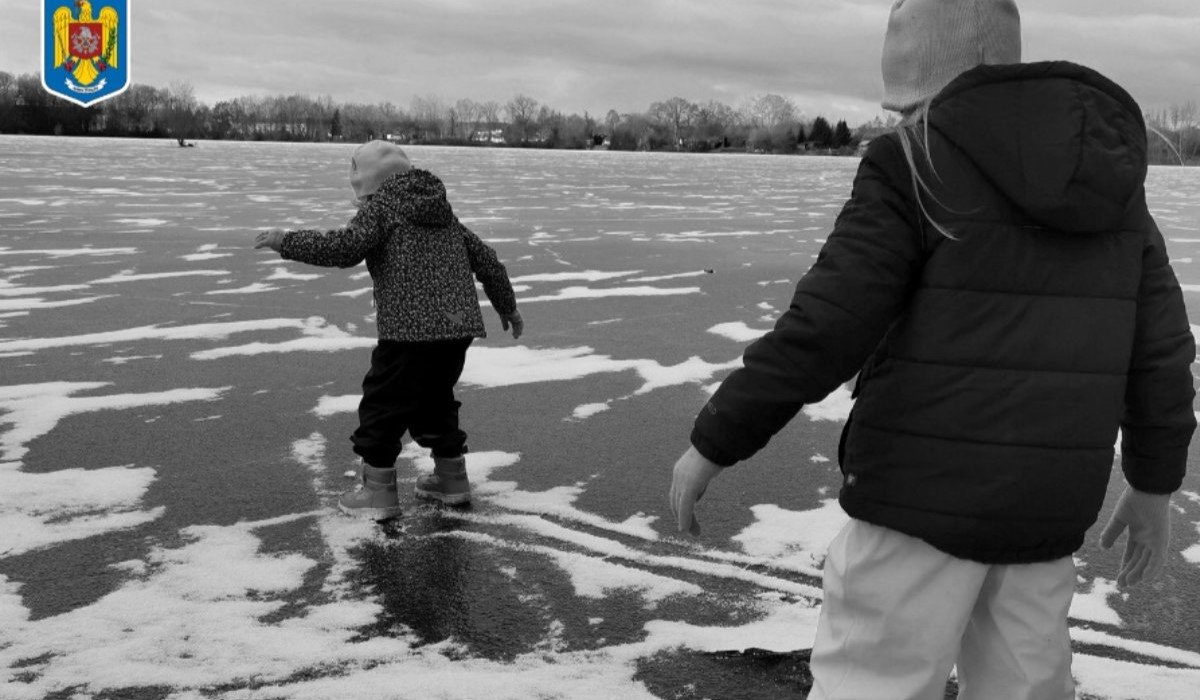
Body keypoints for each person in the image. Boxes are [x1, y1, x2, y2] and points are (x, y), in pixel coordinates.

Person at [668, 1, 1195, 698]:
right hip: (1044, 510)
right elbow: (1160, 349)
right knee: (1027, 686)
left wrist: (716, 439)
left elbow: (827, 324)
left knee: (873, 682)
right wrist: (1154, 483)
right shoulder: (1112, 185)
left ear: (919, 86)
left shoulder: (912, 163)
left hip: (914, 504)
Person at [255, 140, 523, 520]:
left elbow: (344, 248)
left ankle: (378, 493)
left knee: (383, 404)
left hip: (408, 333)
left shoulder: (382, 210)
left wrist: (287, 241)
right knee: (436, 400)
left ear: (368, 186)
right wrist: (507, 306)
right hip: (455, 330)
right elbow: (487, 261)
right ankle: (452, 480)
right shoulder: (442, 213)